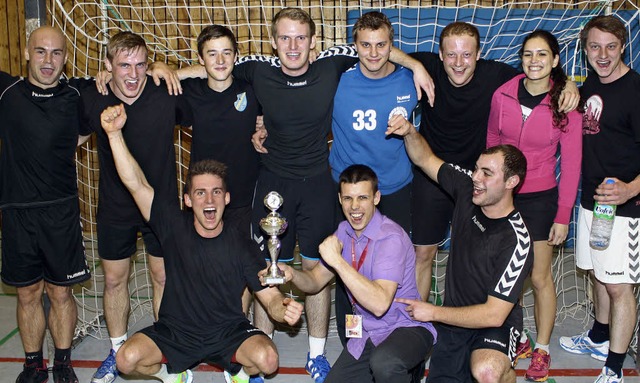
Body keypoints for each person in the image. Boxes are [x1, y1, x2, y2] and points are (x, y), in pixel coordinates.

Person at [164, 8, 435, 382]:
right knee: (267, 269)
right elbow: (211, 67)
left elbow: (375, 48)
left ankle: (318, 354)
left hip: (318, 185)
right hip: (273, 182)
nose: (293, 46)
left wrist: (416, 66)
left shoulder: (331, 65)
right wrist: (163, 73)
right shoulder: (258, 70)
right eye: (285, 38)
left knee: (315, 269)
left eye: (301, 38)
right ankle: (258, 348)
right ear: (273, 43)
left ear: (313, 43)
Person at [100, 104, 303, 383]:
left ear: (227, 199)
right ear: (187, 200)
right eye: (200, 193)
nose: (209, 201)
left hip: (228, 332)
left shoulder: (242, 242)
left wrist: (284, 309)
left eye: (216, 192)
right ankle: (171, 376)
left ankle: (240, 374)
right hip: (176, 332)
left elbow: (269, 298)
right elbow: (136, 183)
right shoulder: (172, 225)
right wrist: (113, 134)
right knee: (126, 359)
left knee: (268, 361)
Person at [409, 22, 579, 304]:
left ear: (478, 55)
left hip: (478, 183)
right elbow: (384, 52)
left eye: (467, 54)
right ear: (439, 55)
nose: (459, 62)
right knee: (423, 254)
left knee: (476, 259)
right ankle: (415, 330)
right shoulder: (427, 65)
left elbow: (540, 76)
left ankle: (474, 321)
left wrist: (568, 84)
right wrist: (414, 66)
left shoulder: (496, 75)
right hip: (433, 175)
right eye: (451, 54)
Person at [78, 31, 192, 383]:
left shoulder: (165, 93)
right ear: (108, 66)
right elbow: (74, 139)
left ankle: (164, 346)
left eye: (141, 64)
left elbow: (212, 76)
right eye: (124, 65)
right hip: (114, 206)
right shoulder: (93, 97)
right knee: (114, 280)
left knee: (162, 276)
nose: (133, 74)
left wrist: (169, 68)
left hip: (160, 204)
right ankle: (116, 351)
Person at [389, 119, 534, 382]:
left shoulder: (517, 240)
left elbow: (494, 313)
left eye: (487, 173)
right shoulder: (468, 187)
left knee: (486, 372)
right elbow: (426, 159)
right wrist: (410, 132)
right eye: (477, 169)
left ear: (512, 181)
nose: (476, 178)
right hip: (454, 320)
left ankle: (507, 376)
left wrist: (432, 312)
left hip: (496, 325)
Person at [265, 164, 436, 382]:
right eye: (348, 198)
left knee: (385, 363)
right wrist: (292, 274)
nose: (355, 206)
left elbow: (380, 303)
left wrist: (337, 260)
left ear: (376, 198)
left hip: (404, 327)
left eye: (362, 198)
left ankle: (409, 369)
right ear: (339, 199)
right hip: (367, 333)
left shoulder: (390, 237)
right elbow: (316, 281)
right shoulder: (344, 232)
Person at [486, 30, 582, 381]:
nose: (534, 61)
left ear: (555, 61)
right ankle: (520, 337)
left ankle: (541, 348)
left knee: (539, 276)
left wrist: (563, 215)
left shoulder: (565, 103)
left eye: (542, 55)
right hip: (505, 198)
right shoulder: (503, 94)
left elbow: (571, 165)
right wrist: (489, 190)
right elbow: (492, 143)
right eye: (528, 54)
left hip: (542, 198)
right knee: (505, 275)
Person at [0, 26, 91, 383]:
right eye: (40, 52)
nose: (48, 61)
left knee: (60, 292)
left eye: (56, 53)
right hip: (17, 212)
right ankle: (33, 363)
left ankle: (63, 362)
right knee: (27, 293)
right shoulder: (6, 92)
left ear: (65, 58)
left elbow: (86, 130)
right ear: (26, 53)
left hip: (61, 211)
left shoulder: (75, 96)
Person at [558, 15, 640, 383]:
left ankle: (614, 367)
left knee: (620, 286)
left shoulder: (635, 90)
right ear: (585, 48)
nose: (602, 54)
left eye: (610, 46)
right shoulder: (590, 84)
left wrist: (631, 189)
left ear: (623, 46)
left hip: (625, 207)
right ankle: (598, 338)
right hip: (593, 203)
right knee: (600, 275)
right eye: (595, 46)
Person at [180, 24, 262, 315]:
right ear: (200, 59)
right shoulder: (189, 92)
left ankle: (236, 333)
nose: (220, 60)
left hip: (244, 198)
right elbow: (151, 79)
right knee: (200, 270)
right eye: (211, 54)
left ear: (236, 56)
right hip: (204, 199)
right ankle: (202, 329)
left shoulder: (251, 91)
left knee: (241, 272)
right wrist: (182, 71)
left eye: (226, 53)